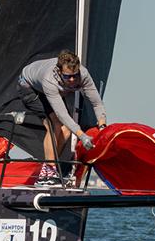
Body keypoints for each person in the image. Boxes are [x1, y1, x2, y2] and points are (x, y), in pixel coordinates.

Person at [18, 50, 108, 186]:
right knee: (55, 124)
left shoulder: (83, 75)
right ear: (59, 72)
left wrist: (102, 127)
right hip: (29, 87)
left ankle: (48, 169)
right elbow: (62, 115)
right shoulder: (50, 79)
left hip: (54, 90)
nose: (72, 80)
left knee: (66, 130)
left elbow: (97, 103)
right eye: (67, 77)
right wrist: (82, 136)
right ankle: (49, 171)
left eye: (74, 76)